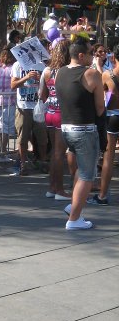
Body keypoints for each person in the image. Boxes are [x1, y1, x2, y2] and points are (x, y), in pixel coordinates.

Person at [55, 38, 105, 230]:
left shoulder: (60, 72)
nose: (94, 56)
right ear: (82, 55)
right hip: (84, 129)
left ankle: (73, 207)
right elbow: (100, 107)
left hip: (67, 128)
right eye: (92, 53)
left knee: (80, 171)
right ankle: (74, 219)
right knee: (87, 175)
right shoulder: (91, 74)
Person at [39, 39, 71, 200]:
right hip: (62, 114)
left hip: (50, 113)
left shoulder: (47, 71)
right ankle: (59, 190)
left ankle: (52, 187)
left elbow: (42, 95)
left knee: (54, 152)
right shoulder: (66, 71)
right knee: (59, 153)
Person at [11, 56, 48, 176]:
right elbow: (13, 85)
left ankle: (42, 162)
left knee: (42, 138)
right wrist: (26, 77)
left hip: (38, 107)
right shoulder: (18, 65)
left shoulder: (42, 65)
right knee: (22, 138)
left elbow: (47, 87)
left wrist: (39, 80)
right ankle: (23, 164)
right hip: (23, 107)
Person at [92, 44, 119, 205]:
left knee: (109, 156)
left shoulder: (108, 75)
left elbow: (102, 94)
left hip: (113, 116)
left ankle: (102, 195)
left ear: (113, 57)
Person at [0, 46, 16, 162]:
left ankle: (2, 151)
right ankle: (3, 152)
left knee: (1, 126)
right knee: (6, 127)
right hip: (10, 99)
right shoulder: (13, 68)